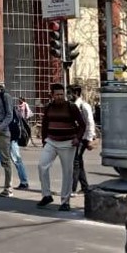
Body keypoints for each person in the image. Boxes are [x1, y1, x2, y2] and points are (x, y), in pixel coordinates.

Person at [37, 83, 87, 211]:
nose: (60, 97)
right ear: (52, 95)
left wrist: (78, 138)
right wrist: (44, 141)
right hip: (51, 141)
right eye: (57, 95)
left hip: (68, 143)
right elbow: (45, 124)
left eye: (61, 94)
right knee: (42, 166)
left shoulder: (71, 107)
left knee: (67, 172)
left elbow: (82, 125)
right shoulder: (48, 107)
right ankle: (47, 195)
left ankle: (65, 201)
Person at [69, 85, 97, 196]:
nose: (68, 95)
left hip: (83, 138)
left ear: (76, 93)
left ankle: (72, 189)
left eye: (70, 92)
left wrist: (89, 138)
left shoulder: (84, 106)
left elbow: (90, 122)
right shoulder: (73, 105)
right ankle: (85, 187)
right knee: (78, 162)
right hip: (76, 137)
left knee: (75, 162)